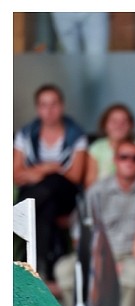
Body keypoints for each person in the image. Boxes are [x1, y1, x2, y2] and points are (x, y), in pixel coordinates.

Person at [54, 138, 135, 306]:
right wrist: (97, 259)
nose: (129, 162)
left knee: (134, 273)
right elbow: (78, 230)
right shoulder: (97, 190)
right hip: (98, 254)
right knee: (64, 269)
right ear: (115, 161)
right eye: (124, 157)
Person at [13, 84, 88, 284]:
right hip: (45, 200)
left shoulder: (76, 134)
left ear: (62, 106)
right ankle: (45, 270)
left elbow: (74, 176)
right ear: (38, 108)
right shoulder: (26, 134)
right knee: (46, 206)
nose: (49, 110)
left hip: (65, 194)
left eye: (54, 104)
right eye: (44, 105)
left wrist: (36, 173)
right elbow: (16, 174)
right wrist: (48, 168)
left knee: (53, 184)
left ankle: (20, 217)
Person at [85, 103, 135, 188]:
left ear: (131, 125)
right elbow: (90, 183)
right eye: (114, 121)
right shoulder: (96, 148)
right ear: (104, 124)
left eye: (124, 121)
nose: (119, 126)